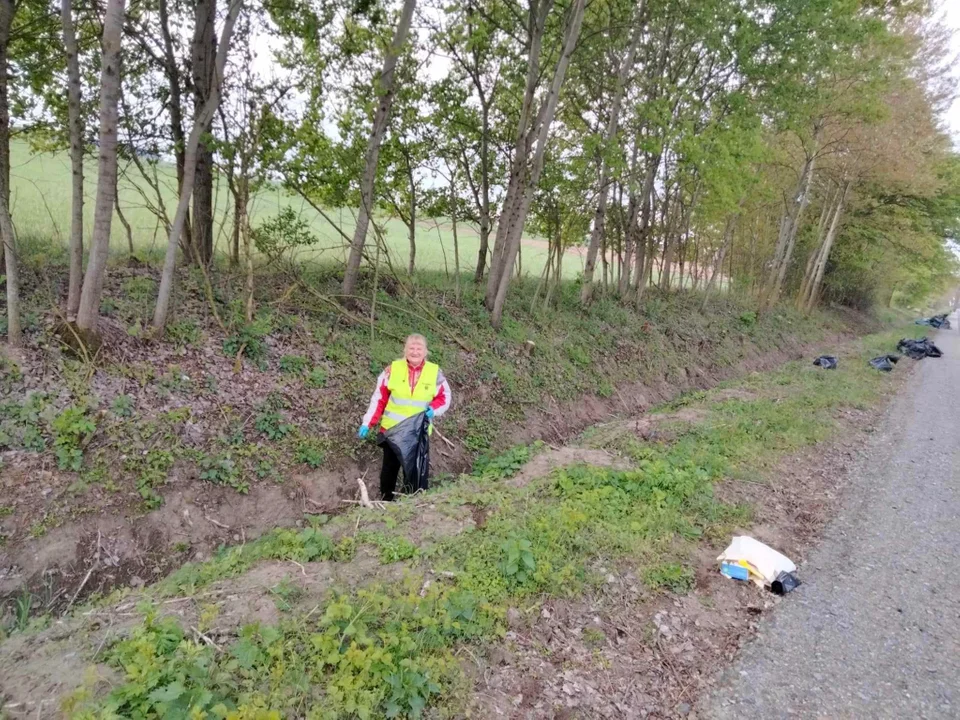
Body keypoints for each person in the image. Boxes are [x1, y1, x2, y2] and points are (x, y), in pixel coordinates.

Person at [359, 334, 451, 500]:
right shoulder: (392, 370)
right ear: (405, 350)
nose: (415, 352)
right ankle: (386, 501)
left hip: (417, 433)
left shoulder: (435, 373)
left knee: (414, 470)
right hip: (392, 430)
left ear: (425, 351)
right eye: (411, 348)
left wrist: (433, 409)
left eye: (419, 348)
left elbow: (445, 397)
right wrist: (367, 423)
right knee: (389, 468)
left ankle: (413, 503)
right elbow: (379, 399)